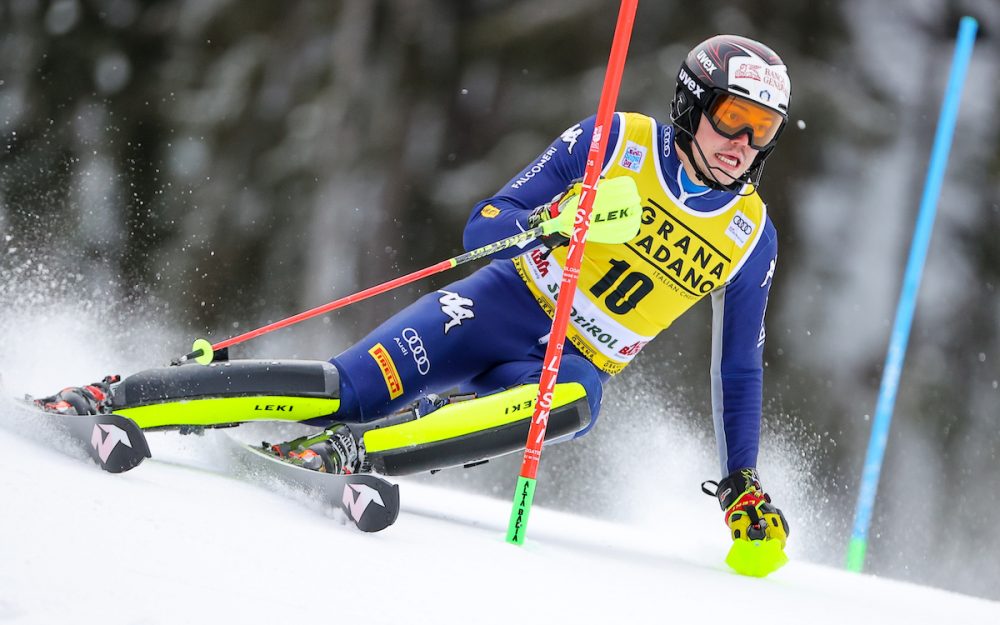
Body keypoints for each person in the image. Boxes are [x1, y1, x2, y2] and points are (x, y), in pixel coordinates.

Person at [37, 35, 790, 552]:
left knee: (570, 408)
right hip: (499, 305)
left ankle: (348, 456)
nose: (744, 145)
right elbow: (484, 223)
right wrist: (554, 223)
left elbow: (738, 370)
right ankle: (125, 394)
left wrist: (739, 484)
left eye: (764, 131)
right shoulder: (610, 142)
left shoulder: (750, 235)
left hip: (571, 362)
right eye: (735, 119)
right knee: (346, 387)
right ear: (694, 105)